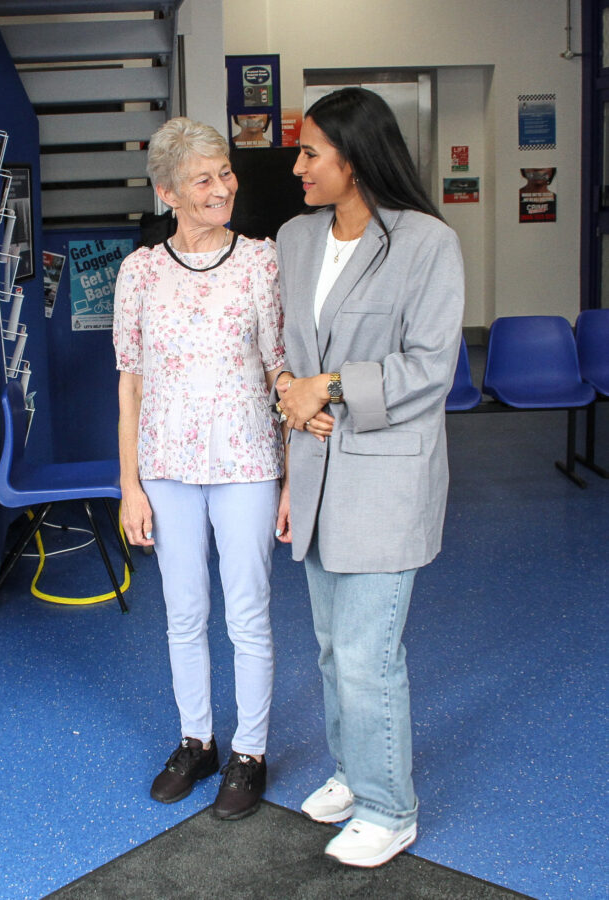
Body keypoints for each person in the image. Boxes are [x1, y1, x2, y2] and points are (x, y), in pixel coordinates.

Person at [273, 88, 464, 867]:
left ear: (355, 159)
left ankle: (392, 808)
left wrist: (331, 385)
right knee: (328, 646)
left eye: (311, 153)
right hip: (316, 470)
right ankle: (355, 774)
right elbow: (284, 347)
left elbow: (430, 366)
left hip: (384, 477)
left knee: (366, 651)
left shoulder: (425, 244)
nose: (296, 167)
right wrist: (291, 389)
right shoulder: (295, 238)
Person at [113, 116, 285, 821]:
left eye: (225, 173)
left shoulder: (261, 261)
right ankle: (198, 739)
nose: (222, 188)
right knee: (183, 613)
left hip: (247, 462)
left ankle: (249, 750)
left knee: (247, 613)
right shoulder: (141, 271)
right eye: (203, 179)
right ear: (167, 193)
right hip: (166, 466)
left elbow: (283, 370)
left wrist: (293, 480)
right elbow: (130, 381)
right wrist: (129, 484)